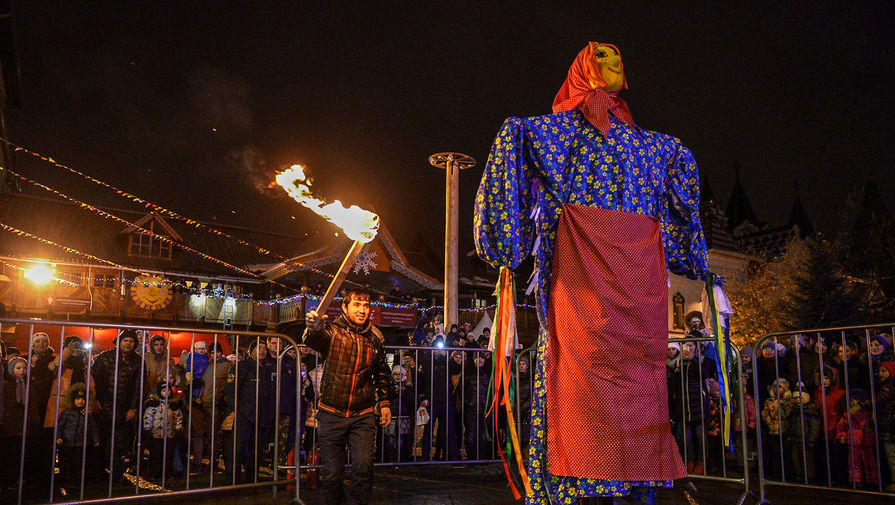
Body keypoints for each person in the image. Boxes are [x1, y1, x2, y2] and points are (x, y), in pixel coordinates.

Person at [474, 42, 716, 503]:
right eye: (603, 55)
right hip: (590, 294)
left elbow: (507, 215)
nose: (616, 60)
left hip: (620, 305)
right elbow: (686, 235)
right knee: (600, 394)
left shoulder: (649, 149)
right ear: (586, 69)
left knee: (608, 395)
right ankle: (614, 484)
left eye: (619, 55)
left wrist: (505, 245)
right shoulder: (645, 149)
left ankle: (595, 485)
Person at [303, 287, 391, 505]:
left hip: (363, 415)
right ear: (344, 307)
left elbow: (382, 373)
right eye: (356, 305)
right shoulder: (331, 331)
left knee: (363, 467)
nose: (362, 310)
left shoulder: (376, 338)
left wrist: (386, 403)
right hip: (331, 413)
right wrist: (312, 328)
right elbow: (313, 339)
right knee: (332, 474)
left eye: (366, 305)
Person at [91, 329, 145, 483]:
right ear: (119, 342)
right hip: (103, 407)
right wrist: (94, 400)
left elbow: (138, 386)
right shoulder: (105, 357)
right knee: (100, 440)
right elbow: (94, 379)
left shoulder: (138, 361)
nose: (128, 343)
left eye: (131, 341)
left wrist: (133, 408)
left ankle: (117, 475)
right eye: (125, 340)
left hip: (124, 409)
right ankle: (98, 473)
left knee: (120, 444)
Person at [55, 383, 101, 489]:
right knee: (66, 463)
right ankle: (67, 480)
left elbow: (93, 427)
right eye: (77, 399)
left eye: (82, 399)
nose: (80, 401)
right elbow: (60, 426)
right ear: (72, 400)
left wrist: (95, 439)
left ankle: (78, 480)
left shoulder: (87, 414)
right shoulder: (66, 413)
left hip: (82, 443)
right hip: (67, 443)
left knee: (79, 463)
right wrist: (59, 437)